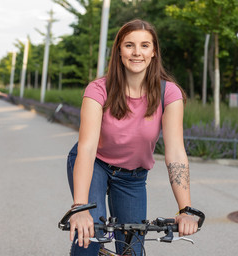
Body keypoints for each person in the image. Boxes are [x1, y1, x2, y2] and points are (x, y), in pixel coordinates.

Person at [66, 19, 198, 256]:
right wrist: (79, 207)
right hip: (95, 163)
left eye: (145, 45)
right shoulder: (98, 90)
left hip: (133, 177)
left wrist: (185, 209)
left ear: (154, 51)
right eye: (129, 45)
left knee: (132, 250)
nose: (137, 52)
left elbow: (176, 153)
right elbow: (87, 148)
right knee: (89, 234)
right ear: (119, 50)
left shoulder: (170, 93)